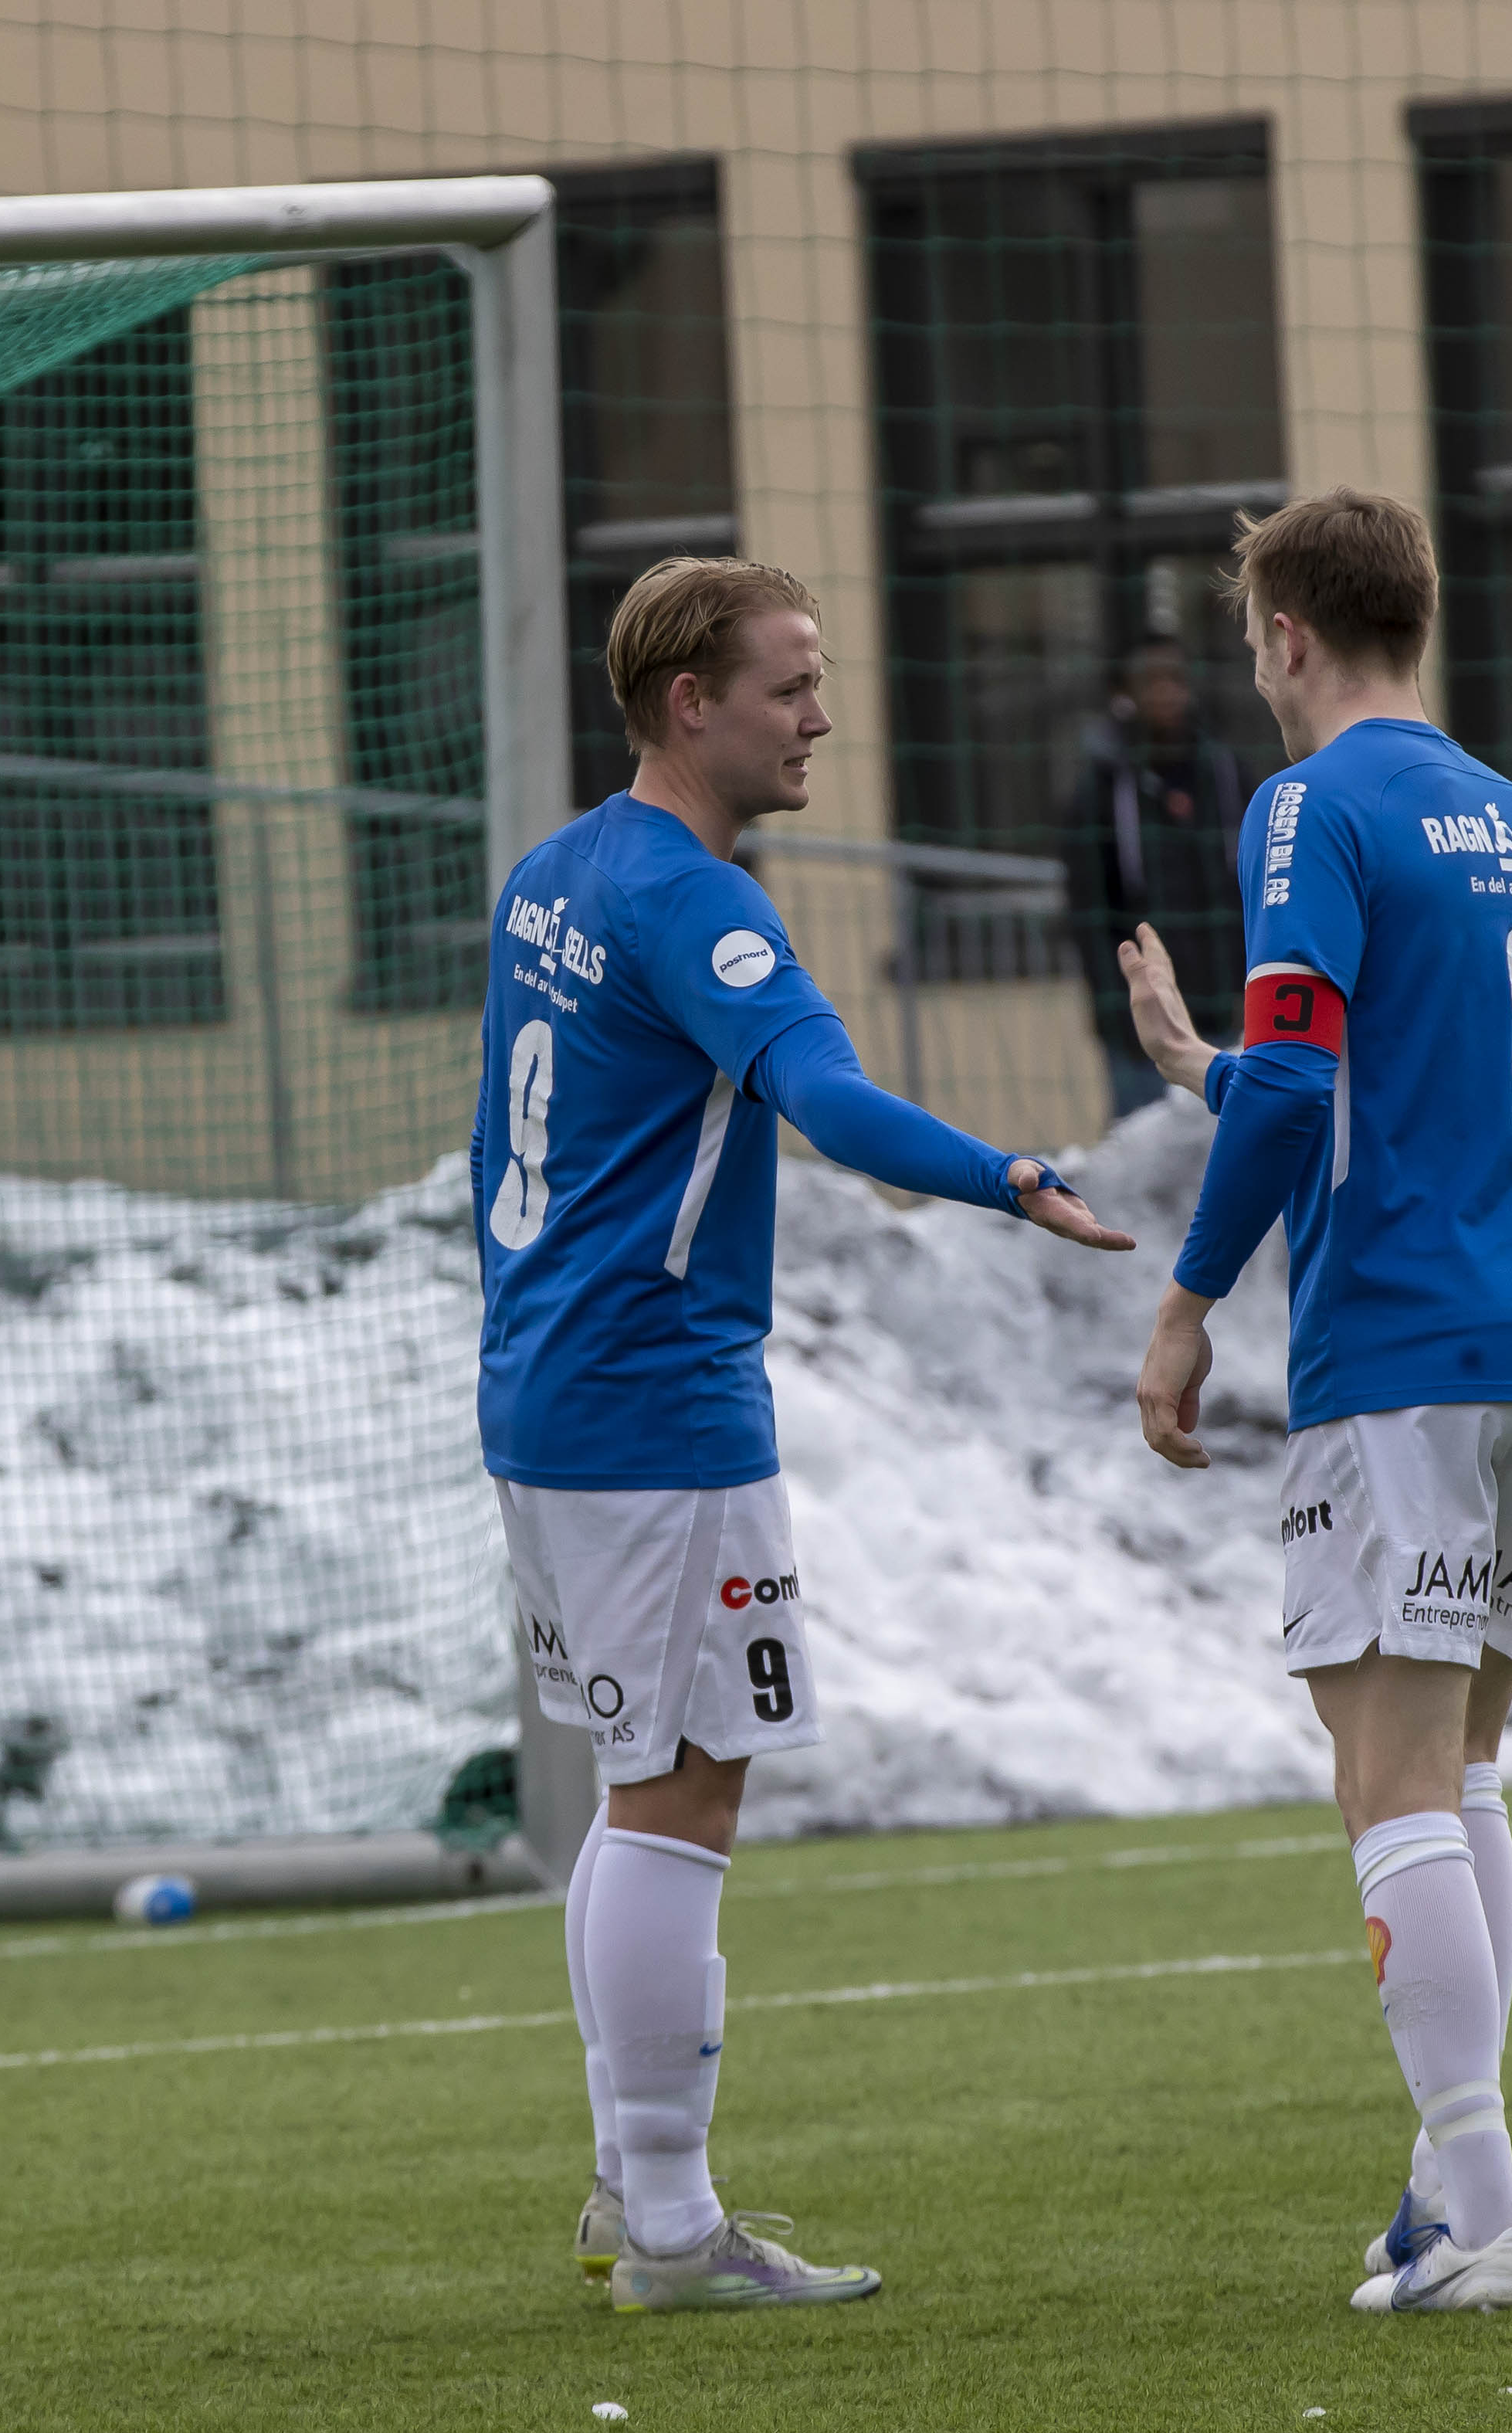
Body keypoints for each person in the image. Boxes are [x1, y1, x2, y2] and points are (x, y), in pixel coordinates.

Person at [476, 557, 1135, 2312]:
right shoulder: (697, 904)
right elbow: (828, 1099)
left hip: (549, 1386)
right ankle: (678, 2227)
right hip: (656, 1399)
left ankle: (637, 2182)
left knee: (642, 1786)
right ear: (690, 701)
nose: (821, 717)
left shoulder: (553, 874)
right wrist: (1009, 1174)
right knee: (685, 1788)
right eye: (790, 685)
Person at [1118, 492, 1512, 2314]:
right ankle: (1443, 2185)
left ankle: (1483, 2214)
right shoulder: (1510, 818)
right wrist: (1211, 1062)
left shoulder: (1306, 803)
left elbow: (1308, 1087)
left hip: (1405, 1343)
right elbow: (1399, 1060)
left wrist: (1183, 1306)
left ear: (1281, 635)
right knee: (1464, 1758)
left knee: (1384, 1773)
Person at [1059, 639, 1249, 1122]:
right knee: (1147, 1165)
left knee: (1227, 1151)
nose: (1168, 692)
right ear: (1125, 693)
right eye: (1153, 681)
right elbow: (1088, 908)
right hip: (1141, 1021)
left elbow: (1255, 890)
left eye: (1177, 679)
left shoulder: (1226, 773)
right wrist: (1112, 1010)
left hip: (1225, 1009)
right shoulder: (1100, 789)